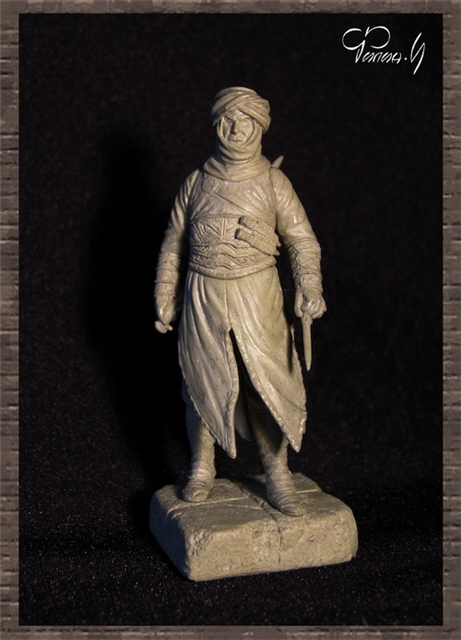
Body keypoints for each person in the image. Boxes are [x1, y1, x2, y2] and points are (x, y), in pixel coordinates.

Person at [155, 87, 326, 516]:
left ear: (260, 127)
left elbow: (302, 241)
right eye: (228, 120)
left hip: (257, 293)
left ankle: (277, 473)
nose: (236, 129)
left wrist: (310, 287)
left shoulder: (273, 182)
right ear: (216, 125)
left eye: (246, 121)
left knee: (266, 384)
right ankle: (201, 467)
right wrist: (164, 294)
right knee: (200, 384)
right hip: (203, 294)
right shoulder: (196, 183)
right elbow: (173, 244)